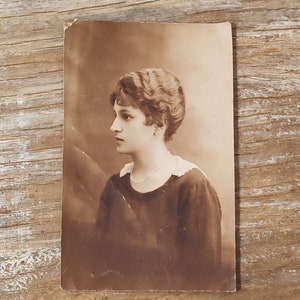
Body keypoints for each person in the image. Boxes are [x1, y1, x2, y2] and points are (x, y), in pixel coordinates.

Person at [63, 68, 222, 290]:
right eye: (115, 115)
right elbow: (97, 272)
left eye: (126, 116)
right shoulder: (114, 186)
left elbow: (206, 283)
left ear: (159, 123)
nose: (114, 126)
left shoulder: (192, 187)